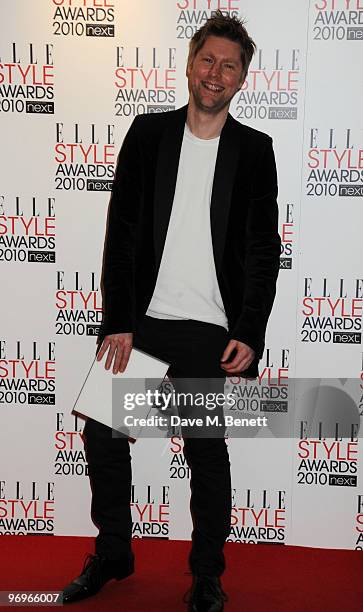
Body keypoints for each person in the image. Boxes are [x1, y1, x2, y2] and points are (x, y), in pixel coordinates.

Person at [62, 11, 281, 611]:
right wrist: (119, 320)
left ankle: (207, 573)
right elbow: (122, 231)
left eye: (229, 65)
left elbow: (264, 250)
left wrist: (250, 331)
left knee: (206, 449)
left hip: (212, 329)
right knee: (103, 434)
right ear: (190, 64)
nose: (215, 73)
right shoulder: (148, 134)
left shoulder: (256, 151)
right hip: (145, 322)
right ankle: (113, 552)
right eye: (207, 60)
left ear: (241, 79)